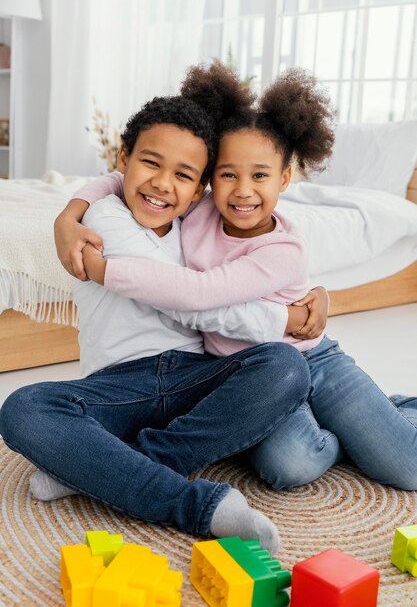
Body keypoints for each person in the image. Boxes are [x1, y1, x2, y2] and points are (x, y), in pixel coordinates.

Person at [0, 78, 315, 554]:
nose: (164, 184)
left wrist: (312, 296)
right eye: (150, 162)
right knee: (24, 408)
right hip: (120, 386)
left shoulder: (192, 218)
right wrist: (283, 320)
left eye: (184, 176)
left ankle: (123, 465)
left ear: (200, 189)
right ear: (123, 157)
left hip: (192, 373)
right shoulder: (105, 223)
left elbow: (223, 275)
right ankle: (196, 506)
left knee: (286, 366)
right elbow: (190, 298)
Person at [77, 63, 417, 492]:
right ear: (208, 180)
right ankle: (354, 430)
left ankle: (392, 408)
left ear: (285, 178)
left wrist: (105, 271)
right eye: (227, 174)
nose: (242, 190)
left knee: (408, 467)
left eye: (260, 176)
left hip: (313, 357)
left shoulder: (284, 250)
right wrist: (70, 214)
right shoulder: (196, 207)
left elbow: (200, 294)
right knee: (289, 467)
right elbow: (118, 178)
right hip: (251, 376)